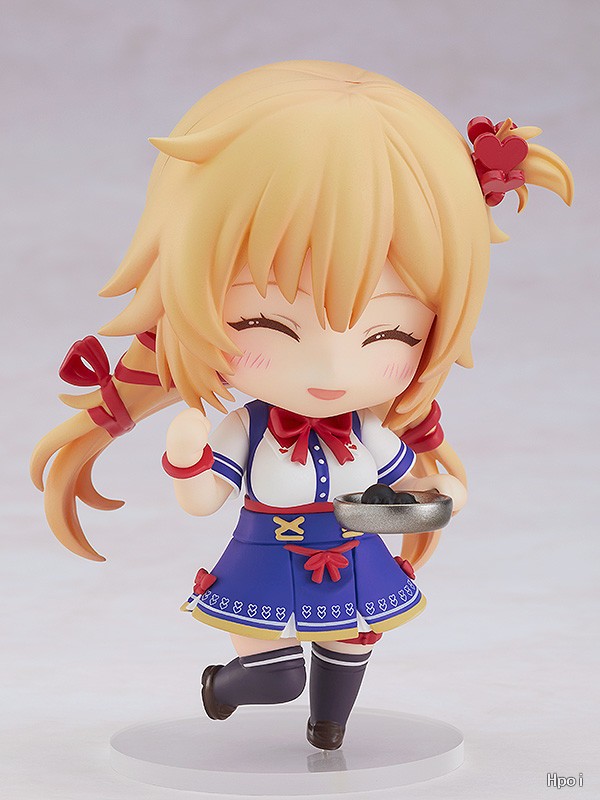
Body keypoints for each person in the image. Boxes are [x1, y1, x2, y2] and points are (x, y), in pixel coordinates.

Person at [31, 60, 573, 750]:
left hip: (353, 559)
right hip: (264, 558)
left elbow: (419, 486)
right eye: (267, 325)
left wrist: (440, 496)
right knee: (278, 675)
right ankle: (223, 687)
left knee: (351, 647)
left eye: (390, 334)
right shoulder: (249, 427)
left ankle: (330, 728)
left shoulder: (368, 432)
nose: (332, 370)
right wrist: (186, 457)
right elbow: (202, 501)